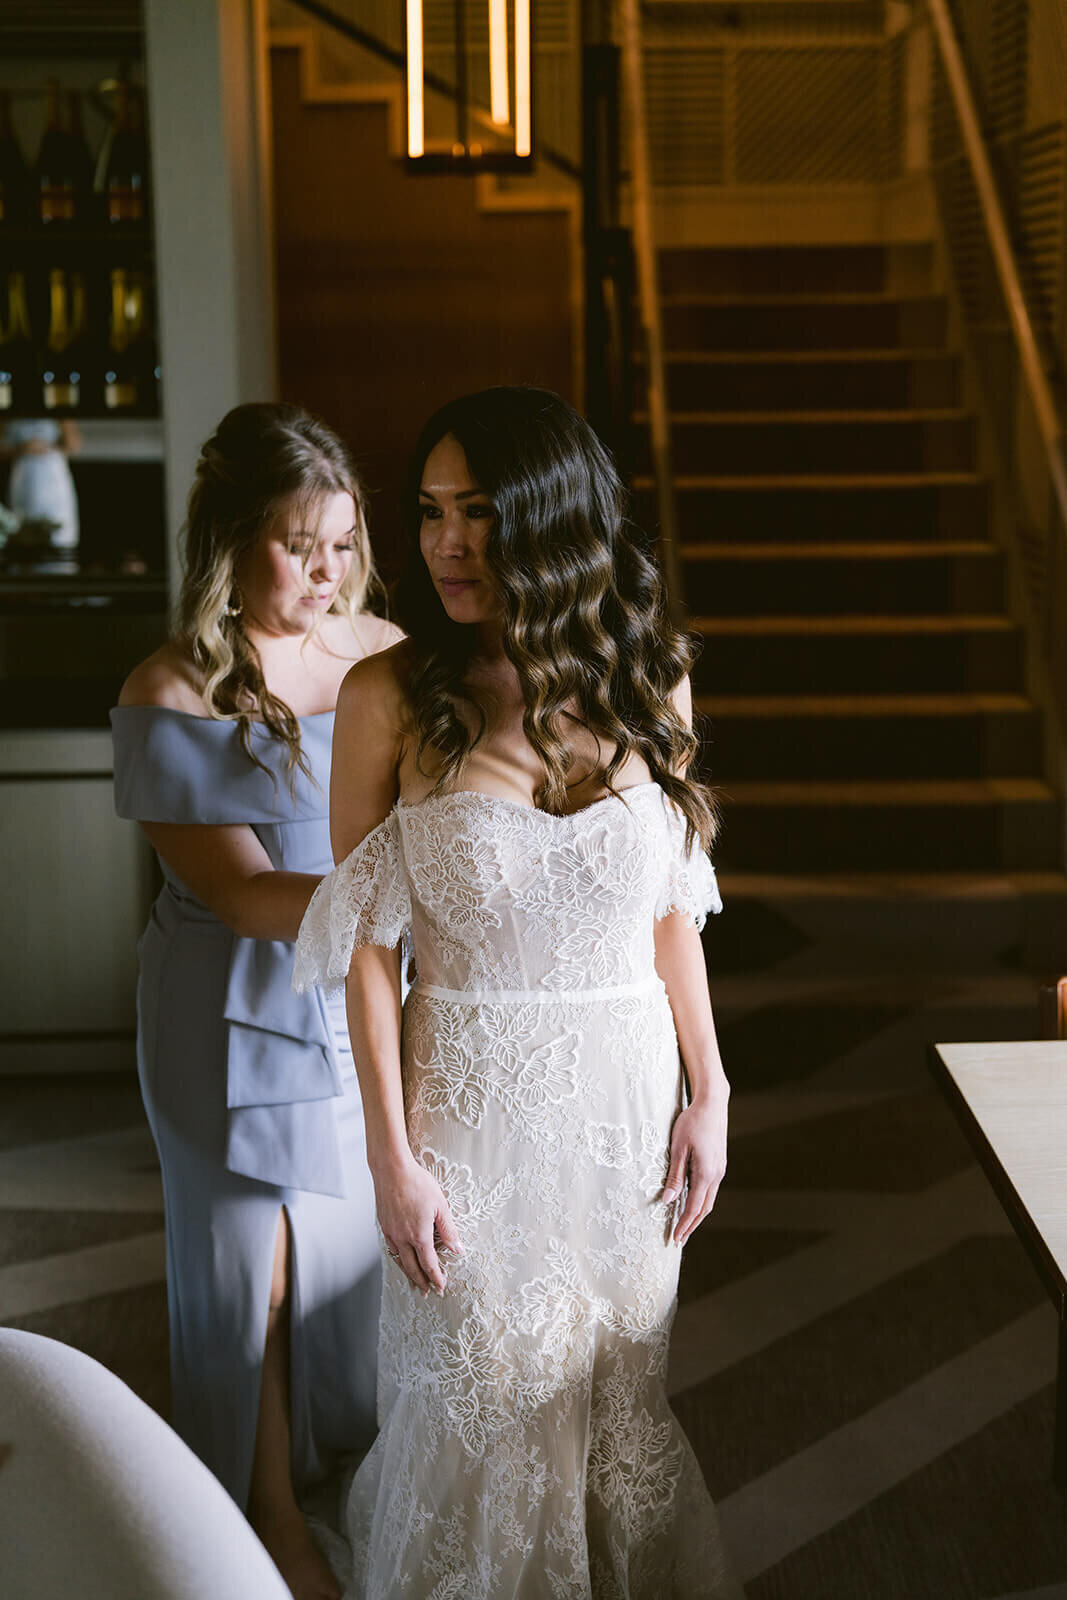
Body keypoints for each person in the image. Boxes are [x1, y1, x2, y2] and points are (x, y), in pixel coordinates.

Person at [294, 387, 743, 1596]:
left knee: (615, 1400)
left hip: (624, 1119)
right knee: (477, 1412)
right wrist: (391, 1157)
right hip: (468, 1120)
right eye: (432, 511)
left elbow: (667, 918)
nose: (445, 541)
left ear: (549, 520)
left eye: (479, 511)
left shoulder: (654, 682)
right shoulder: (387, 697)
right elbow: (365, 951)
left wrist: (709, 1091)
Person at [111, 402, 401, 1600]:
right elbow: (238, 894)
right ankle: (265, 1505)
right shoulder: (170, 689)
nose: (325, 572)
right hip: (225, 1007)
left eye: (340, 543)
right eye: (297, 544)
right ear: (230, 542)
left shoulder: (384, 649)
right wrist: (418, 887)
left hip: (360, 995)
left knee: (355, 1256)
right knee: (259, 1267)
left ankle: (354, 1468)